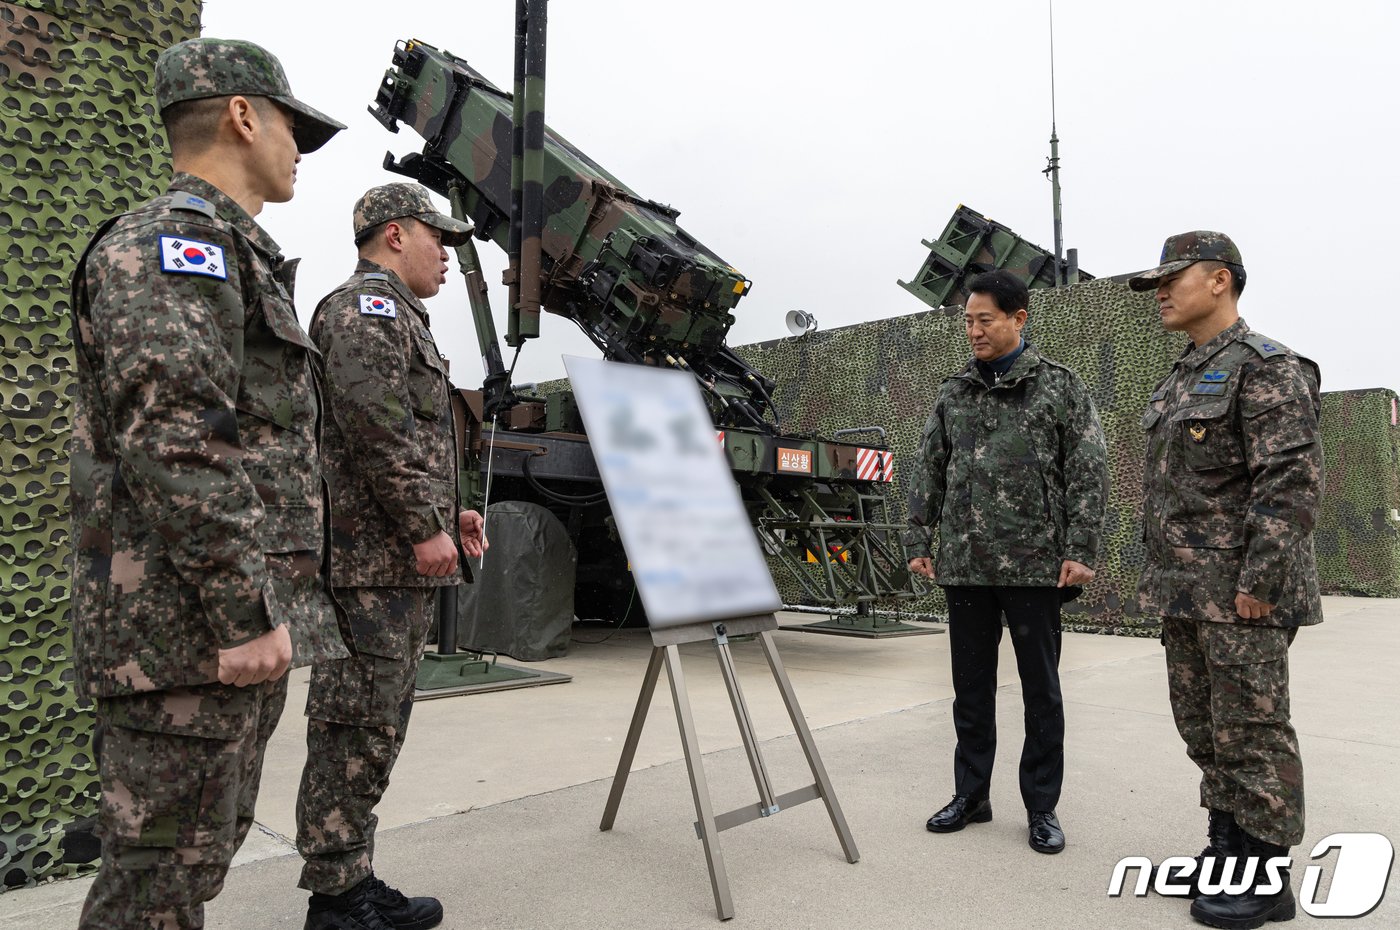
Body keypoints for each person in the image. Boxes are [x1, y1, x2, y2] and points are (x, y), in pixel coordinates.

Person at [68, 38, 346, 929]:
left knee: (188, 878)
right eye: (293, 127)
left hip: (214, 639)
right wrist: (243, 611)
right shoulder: (174, 246)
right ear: (241, 115)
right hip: (186, 640)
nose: (299, 149)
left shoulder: (228, 252)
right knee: (152, 895)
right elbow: (182, 441)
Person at [295, 183, 486, 930]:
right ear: (396, 234)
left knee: (376, 726)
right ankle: (336, 900)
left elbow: (402, 440)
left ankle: (351, 878)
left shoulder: (401, 318)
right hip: (368, 568)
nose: (447, 254)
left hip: (388, 562)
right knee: (354, 725)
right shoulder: (364, 310)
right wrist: (420, 525)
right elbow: (375, 431)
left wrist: (448, 514)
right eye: (439, 238)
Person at [1131, 232, 1321, 929]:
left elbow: (1291, 481)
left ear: (1220, 280)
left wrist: (1261, 581)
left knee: (1252, 730)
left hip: (1242, 590)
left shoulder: (1266, 367)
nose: (1160, 291)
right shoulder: (1182, 376)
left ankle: (1267, 875)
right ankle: (1228, 842)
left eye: (1172, 278)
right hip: (1186, 589)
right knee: (1204, 727)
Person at [903, 269, 1106, 855]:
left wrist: (1081, 549)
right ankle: (972, 796)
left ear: (1019, 318)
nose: (973, 331)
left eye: (983, 319)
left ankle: (1041, 806)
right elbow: (929, 466)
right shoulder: (953, 391)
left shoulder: (1059, 387)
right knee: (970, 689)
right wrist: (918, 538)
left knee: (1041, 691)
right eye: (967, 320)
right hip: (965, 563)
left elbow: (1088, 472)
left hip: (1034, 565)